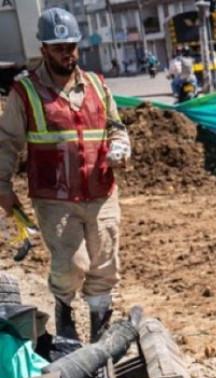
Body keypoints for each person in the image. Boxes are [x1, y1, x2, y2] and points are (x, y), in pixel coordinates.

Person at [0, 8, 131, 343]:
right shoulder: (25, 93)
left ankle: (100, 333)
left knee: (105, 265)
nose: (67, 53)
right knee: (70, 265)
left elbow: (116, 127)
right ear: (43, 49)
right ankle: (66, 321)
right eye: (58, 47)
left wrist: (119, 146)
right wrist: (2, 186)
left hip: (100, 191)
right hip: (54, 197)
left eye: (71, 46)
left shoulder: (97, 86)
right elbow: (7, 144)